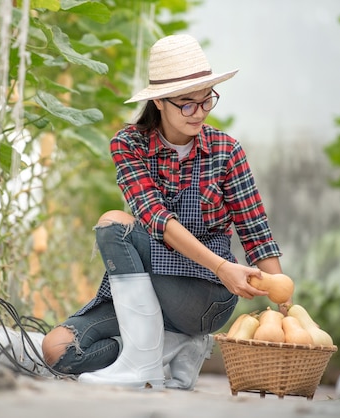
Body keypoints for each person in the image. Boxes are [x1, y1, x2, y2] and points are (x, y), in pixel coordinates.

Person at [41, 34, 285, 390]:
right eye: (187, 104)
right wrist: (223, 265)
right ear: (159, 101)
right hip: (156, 286)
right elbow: (157, 219)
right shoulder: (129, 145)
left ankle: (146, 360)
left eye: (206, 101)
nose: (198, 112)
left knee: (113, 224)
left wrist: (287, 306)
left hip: (206, 294)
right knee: (58, 351)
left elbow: (255, 232)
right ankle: (163, 349)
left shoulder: (226, 150)